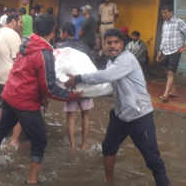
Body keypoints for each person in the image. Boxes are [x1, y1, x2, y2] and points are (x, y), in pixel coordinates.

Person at [0, 14, 82, 185]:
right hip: (25, 101)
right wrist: (72, 96)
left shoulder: (26, 43)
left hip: (10, 92)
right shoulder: (45, 53)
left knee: (2, 128)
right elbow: (49, 87)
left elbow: (28, 72)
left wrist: (43, 95)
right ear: (53, 31)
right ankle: (32, 179)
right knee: (40, 140)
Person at [66, 28, 170, 186]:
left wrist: (79, 78)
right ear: (103, 44)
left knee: (152, 159)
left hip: (139, 116)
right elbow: (108, 87)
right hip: (120, 115)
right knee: (108, 148)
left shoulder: (127, 59)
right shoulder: (111, 62)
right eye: (109, 43)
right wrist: (83, 93)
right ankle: (109, 182)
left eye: (116, 42)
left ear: (123, 44)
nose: (112, 46)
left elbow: (106, 76)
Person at [57, 22, 94, 150]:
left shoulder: (61, 47)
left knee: (71, 115)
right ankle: (84, 144)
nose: (60, 34)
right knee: (86, 114)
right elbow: (91, 65)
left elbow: (59, 68)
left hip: (70, 86)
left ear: (65, 33)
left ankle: (72, 146)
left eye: (61, 32)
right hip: (86, 86)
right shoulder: (85, 46)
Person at [0, 13, 23, 148]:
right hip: (10, 79)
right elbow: (18, 60)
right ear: (13, 22)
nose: (21, 25)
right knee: (19, 110)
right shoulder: (13, 35)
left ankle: (2, 135)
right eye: (19, 22)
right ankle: (14, 140)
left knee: (1, 107)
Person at [157, 5, 186, 103]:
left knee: (170, 73)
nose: (163, 15)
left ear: (171, 12)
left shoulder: (179, 22)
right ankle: (173, 90)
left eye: (165, 13)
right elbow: (163, 38)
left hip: (175, 51)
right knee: (167, 71)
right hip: (165, 51)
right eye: (162, 13)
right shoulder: (164, 23)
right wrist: (160, 51)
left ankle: (165, 95)